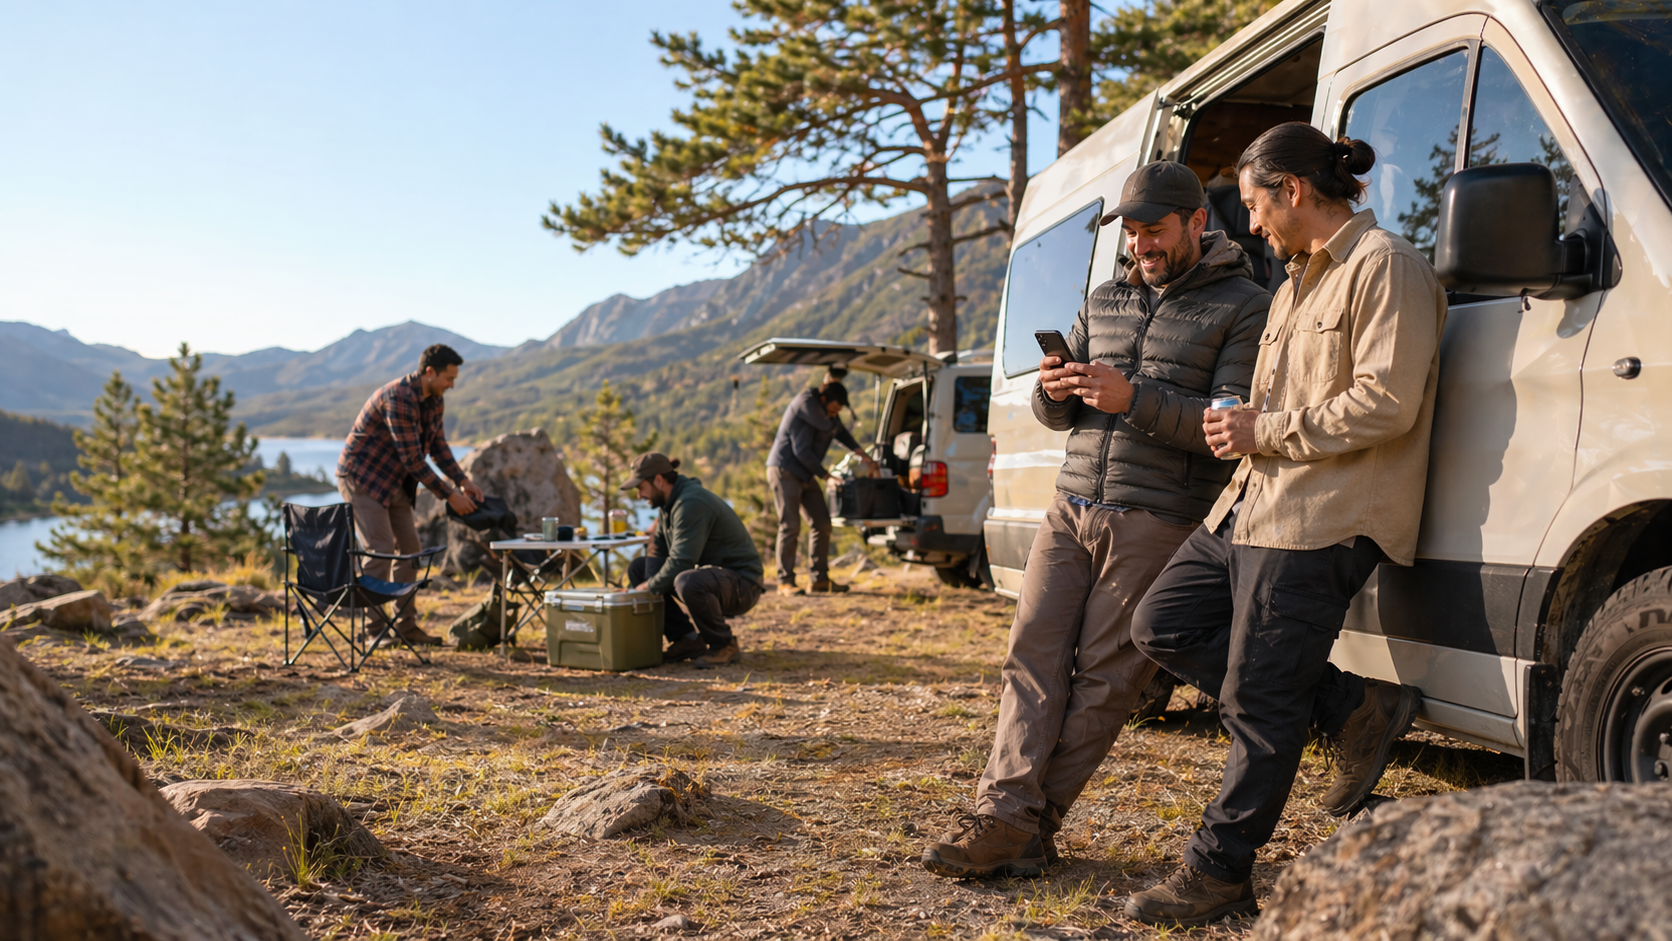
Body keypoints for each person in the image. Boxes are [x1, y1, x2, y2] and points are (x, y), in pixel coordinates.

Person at [1124, 123, 1445, 927]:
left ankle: (1220, 871)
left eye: (1256, 206)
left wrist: (1264, 430)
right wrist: (1246, 429)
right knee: (1162, 622)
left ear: (1293, 191)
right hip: (1252, 501)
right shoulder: (1297, 278)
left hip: (1323, 516)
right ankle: (1349, 707)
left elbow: (1386, 401)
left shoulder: (1386, 268)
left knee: (1261, 700)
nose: (1254, 225)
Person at [921, 160, 1271, 879]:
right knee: (1032, 658)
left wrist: (1131, 396)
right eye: (1132, 231)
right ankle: (1004, 814)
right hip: (1072, 500)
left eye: (1155, 230)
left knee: (1107, 681)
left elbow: (1224, 425)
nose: (1141, 244)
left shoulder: (1245, 305)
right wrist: (1054, 390)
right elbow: (1060, 412)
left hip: (1159, 514)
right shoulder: (1104, 299)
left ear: (1198, 221)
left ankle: (1027, 825)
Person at [337, 343, 484, 647]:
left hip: (395, 483)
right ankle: (374, 630)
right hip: (362, 478)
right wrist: (449, 495)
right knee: (378, 549)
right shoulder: (398, 398)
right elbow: (413, 460)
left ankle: (405, 626)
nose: (452, 385)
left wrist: (462, 480)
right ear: (429, 372)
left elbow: (438, 447)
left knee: (411, 552)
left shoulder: (434, 399)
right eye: (449, 378)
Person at [624, 452, 764, 668]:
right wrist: (648, 582)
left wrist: (649, 587)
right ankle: (686, 640)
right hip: (717, 579)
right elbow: (657, 549)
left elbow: (682, 562)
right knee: (638, 568)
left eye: (640, 487)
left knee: (687, 581)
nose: (639, 495)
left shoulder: (690, 503)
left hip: (743, 585)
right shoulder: (668, 504)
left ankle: (723, 644)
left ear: (659, 481)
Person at [765, 379, 875, 595]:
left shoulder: (827, 415)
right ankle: (785, 582)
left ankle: (819, 580)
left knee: (822, 523)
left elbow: (840, 432)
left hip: (805, 472)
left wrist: (861, 453)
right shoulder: (806, 407)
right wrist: (826, 476)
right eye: (834, 409)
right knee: (790, 525)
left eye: (839, 410)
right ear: (824, 400)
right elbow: (801, 451)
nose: (835, 414)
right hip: (785, 469)